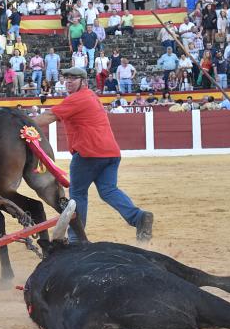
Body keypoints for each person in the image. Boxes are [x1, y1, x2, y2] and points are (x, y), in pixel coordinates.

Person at [33, 66, 153, 244]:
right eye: (66, 79)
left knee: (77, 194)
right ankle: (138, 217)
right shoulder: (91, 97)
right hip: (111, 153)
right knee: (108, 190)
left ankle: (76, 238)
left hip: (89, 154)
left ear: (84, 82)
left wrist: (23, 124)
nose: (68, 82)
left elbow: (49, 116)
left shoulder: (78, 99)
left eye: (73, 79)